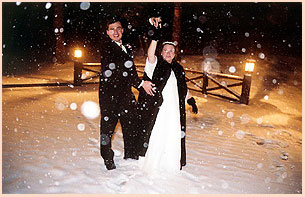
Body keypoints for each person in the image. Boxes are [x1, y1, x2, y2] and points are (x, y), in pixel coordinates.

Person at [137, 18, 198, 173]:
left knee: (173, 134)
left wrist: (190, 99)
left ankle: (171, 163)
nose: (169, 53)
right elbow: (150, 53)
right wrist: (155, 36)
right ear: (161, 52)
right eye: (166, 50)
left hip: (175, 110)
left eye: (172, 51)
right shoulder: (155, 64)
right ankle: (156, 163)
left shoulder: (178, 68)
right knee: (158, 133)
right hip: (159, 109)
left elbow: (181, 87)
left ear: (175, 53)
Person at [99, 17, 156, 170]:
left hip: (125, 95)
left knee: (132, 123)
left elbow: (129, 70)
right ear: (107, 32)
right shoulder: (107, 47)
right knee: (107, 129)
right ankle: (107, 158)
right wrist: (140, 84)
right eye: (112, 29)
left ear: (122, 30)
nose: (116, 32)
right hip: (109, 96)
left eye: (118, 28)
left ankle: (132, 154)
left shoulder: (126, 47)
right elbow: (119, 69)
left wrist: (149, 23)